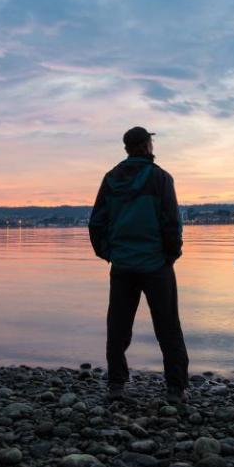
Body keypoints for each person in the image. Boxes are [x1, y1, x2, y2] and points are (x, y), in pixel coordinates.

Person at [88, 126, 189, 404]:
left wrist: (109, 253)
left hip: (123, 265)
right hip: (156, 265)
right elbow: (171, 222)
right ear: (147, 146)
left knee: (118, 326)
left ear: (126, 149)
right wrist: (171, 255)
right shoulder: (160, 179)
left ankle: (117, 385)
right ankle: (176, 388)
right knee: (168, 326)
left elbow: (96, 222)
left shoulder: (111, 179)